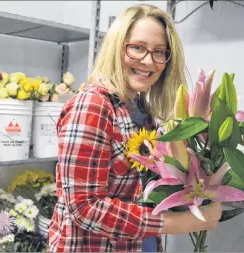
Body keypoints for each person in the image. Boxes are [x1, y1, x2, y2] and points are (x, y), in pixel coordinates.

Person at [48, 3, 222, 252]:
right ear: (116, 47)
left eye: (159, 52)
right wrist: (180, 222)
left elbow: (139, 190)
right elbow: (84, 208)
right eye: (137, 48)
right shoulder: (93, 106)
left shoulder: (140, 110)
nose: (148, 61)